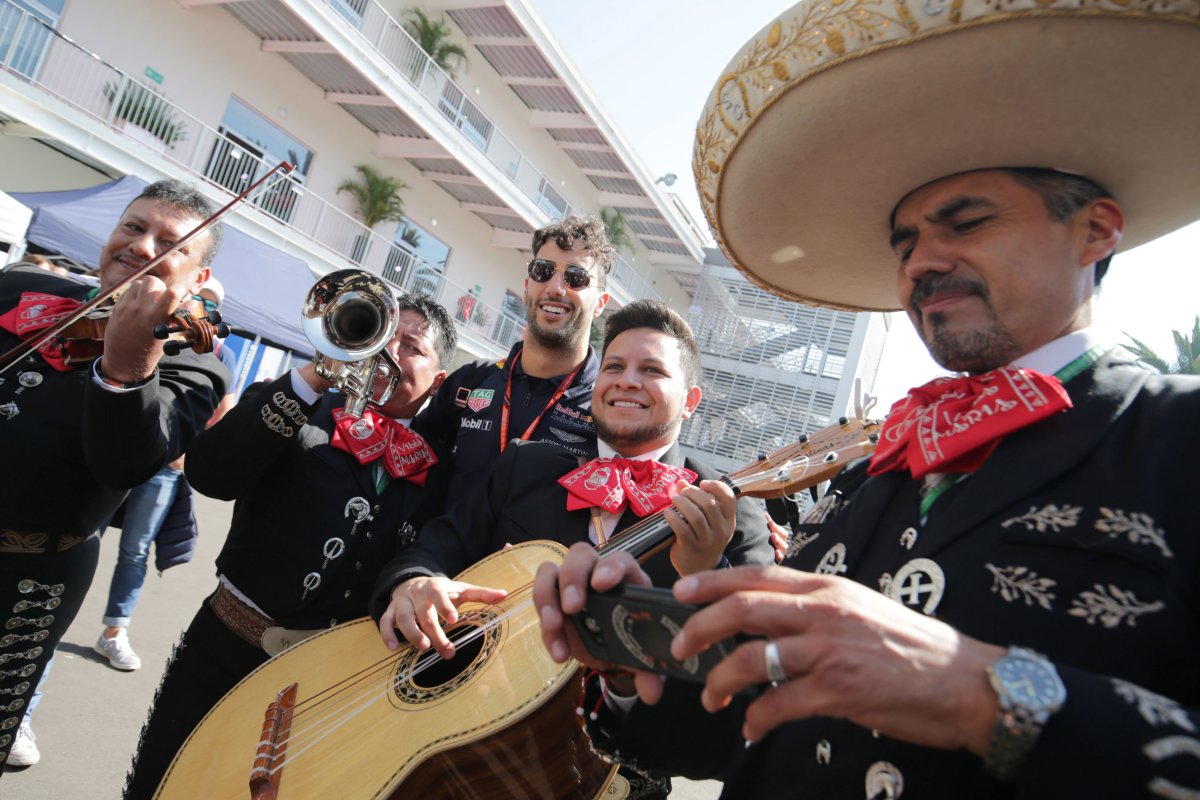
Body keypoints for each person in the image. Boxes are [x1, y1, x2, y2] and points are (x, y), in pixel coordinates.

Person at [534, 4, 1200, 798]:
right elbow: (719, 745)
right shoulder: (869, 478)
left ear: (1096, 231)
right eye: (905, 243)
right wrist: (630, 648)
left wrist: (984, 695)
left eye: (967, 222)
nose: (922, 262)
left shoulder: (1178, 438)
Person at [372, 299, 774, 799]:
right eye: (614, 366)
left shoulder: (731, 510)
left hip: (618, 781)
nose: (627, 380)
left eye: (651, 370)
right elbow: (437, 544)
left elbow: (744, 686)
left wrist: (706, 571)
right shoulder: (525, 466)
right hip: (465, 748)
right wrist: (414, 582)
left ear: (691, 400)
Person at [122, 292, 457, 800]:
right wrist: (315, 376)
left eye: (411, 346)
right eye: (385, 336)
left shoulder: (443, 468)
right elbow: (211, 473)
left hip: (329, 681)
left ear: (437, 380)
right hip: (222, 648)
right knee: (161, 786)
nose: (390, 352)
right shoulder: (302, 401)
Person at [0, 179, 229, 771]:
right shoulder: (23, 287)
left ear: (198, 280)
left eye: (169, 242)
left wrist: (126, 367)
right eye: (133, 227)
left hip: (29, 575)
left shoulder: (193, 357)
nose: (141, 245)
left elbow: (124, 462)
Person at [93, 275, 236, 672]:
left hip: (164, 466)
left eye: (208, 303)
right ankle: (57, 617)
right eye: (197, 298)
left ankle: (114, 631)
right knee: (84, 534)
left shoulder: (220, 352)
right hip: (121, 444)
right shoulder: (157, 327)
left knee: (135, 551)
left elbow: (225, 412)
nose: (199, 307)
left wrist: (185, 454)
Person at [416, 215, 612, 502]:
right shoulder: (472, 381)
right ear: (526, 286)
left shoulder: (607, 411)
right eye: (543, 271)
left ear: (600, 304)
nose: (555, 288)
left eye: (576, 278)